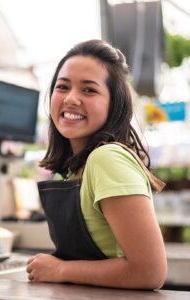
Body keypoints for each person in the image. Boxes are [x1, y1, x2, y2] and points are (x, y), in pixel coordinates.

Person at [26, 39, 167, 289]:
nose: (71, 98)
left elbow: (149, 271)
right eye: (62, 87)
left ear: (114, 104)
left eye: (88, 90)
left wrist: (60, 269)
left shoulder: (107, 158)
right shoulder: (79, 166)